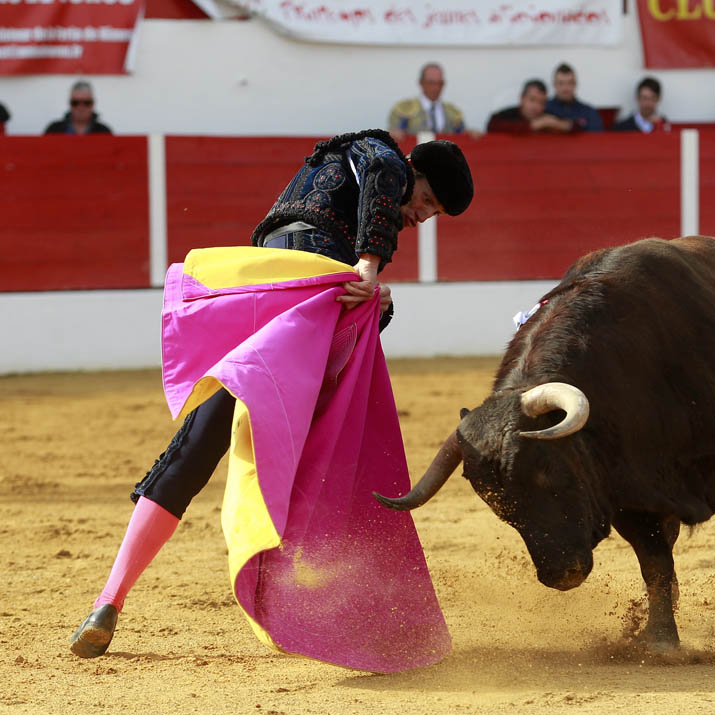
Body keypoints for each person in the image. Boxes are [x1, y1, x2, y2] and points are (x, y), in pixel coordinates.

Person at [68, 129, 474, 660]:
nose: (423, 216)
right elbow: (381, 181)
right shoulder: (380, 158)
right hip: (294, 305)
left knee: (196, 448)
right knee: (308, 462)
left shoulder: (360, 210)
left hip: (270, 306)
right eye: (426, 201)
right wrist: (371, 273)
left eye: (434, 213)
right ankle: (298, 603)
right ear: (412, 172)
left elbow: (353, 321)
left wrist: (374, 300)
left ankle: (109, 600)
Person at [388, 63, 476, 139]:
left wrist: (470, 134)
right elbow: (395, 137)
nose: (436, 88)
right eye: (431, 83)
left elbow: (462, 136)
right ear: (421, 83)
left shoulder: (453, 112)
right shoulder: (403, 109)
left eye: (440, 83)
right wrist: (393, 134)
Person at [486, 79, 575, 134]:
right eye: (532, 100)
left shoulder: (547, 117)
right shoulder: (508, 115)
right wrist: (534, 125)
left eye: (541, 102)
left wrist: (560, 125)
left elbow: (576, 126)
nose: (536, 106)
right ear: (522, 98)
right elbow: (492, 126)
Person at [544, 63, 604, 132]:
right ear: (554, 84)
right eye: (561, 83)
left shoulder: (588, 112)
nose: (565, 88)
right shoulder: (544, 109)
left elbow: (597, 138)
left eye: (570, 83)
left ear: (575, 84)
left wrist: (555, 124)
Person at [43, 80, 112, 135]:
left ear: (93, 103)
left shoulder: (104, 132)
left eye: (86, 103)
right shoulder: (53, 130)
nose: (80, 107)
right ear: (70, 103)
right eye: (75, 103)